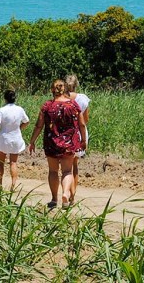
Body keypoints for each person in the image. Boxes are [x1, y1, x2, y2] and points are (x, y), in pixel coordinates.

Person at [28, 78, 87, 209]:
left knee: (53, 171)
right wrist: (83, 140)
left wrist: (32, 141)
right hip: (69, 143)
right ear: (64, 89)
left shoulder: (47, 106)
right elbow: (82, 124)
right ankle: (66, 194)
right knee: (67, 171)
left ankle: (54, 199)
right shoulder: (73, 105)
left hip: (51, 142)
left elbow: (39, 125)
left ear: (52, 90)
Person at [0, 89, 29, 190]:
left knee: (1, 162)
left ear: (5, 98)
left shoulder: (2, 110)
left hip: (4, 138)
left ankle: (0, 184)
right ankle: (13, 185)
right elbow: (27, 121)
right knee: (13, 162)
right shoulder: (20, 109)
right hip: (16, 137)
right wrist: (19, 128)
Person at [65, 74, 90, 202]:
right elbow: (85, 119)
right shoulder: (83, 99)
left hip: (66, 132)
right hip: (79, 133)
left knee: (66, 166)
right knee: (75, 166)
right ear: (77, 84)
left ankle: (68, 192)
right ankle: (73, 196)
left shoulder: (62, 98)